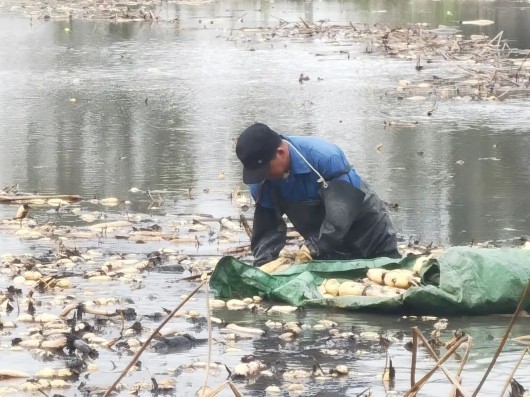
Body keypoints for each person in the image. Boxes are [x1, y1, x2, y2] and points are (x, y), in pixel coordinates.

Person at [235, 122, 400, 266]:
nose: (262, 177)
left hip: (368, 234)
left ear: (281, 153)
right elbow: (267, 231)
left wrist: (314, 248)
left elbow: (341, 215)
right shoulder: (262, 182)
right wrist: (264, 264)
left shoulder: (325, 157)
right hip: (327, 249)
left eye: (265, 169)